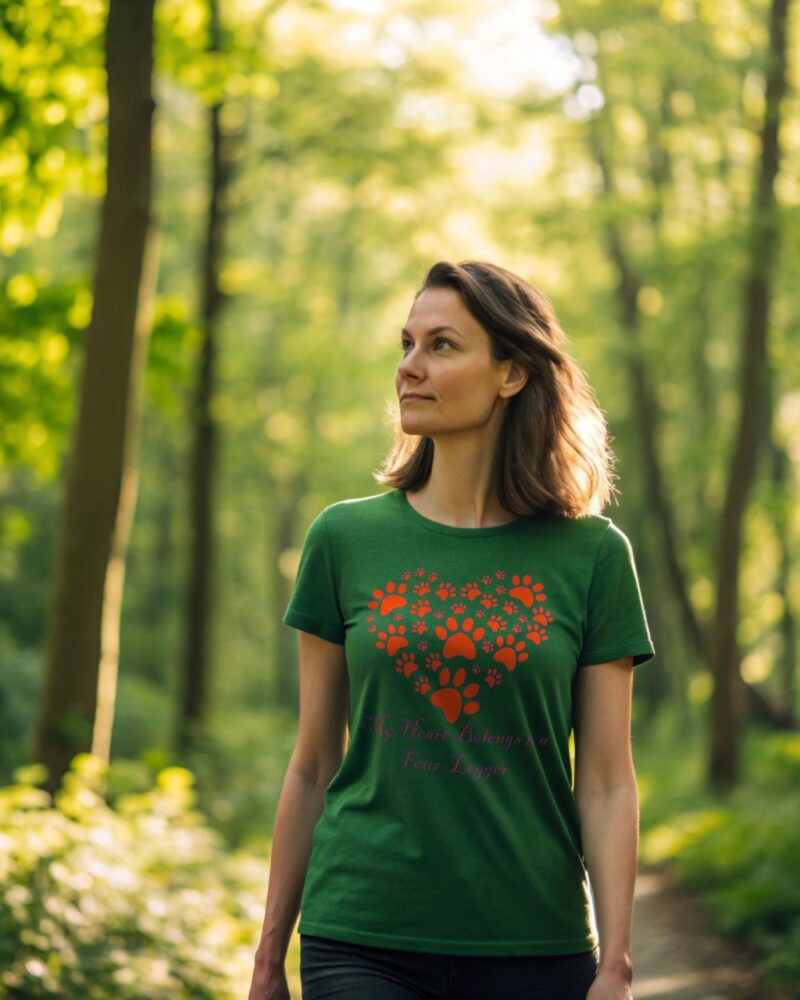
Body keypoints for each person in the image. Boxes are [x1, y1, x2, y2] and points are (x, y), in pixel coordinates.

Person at [248, 260, 655, 1000]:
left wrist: (617, 965)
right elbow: (311, 764)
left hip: (534, 942)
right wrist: (267, 958)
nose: (409, 367)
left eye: (441, 346)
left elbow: (603, 780)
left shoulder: (593, 557)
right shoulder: (343, 539)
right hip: (361, 934)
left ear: (511, 373)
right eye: (406, 344)